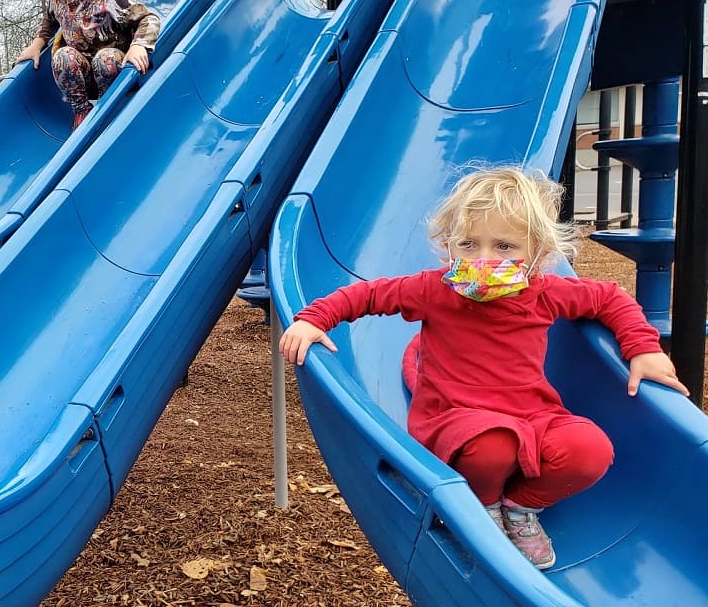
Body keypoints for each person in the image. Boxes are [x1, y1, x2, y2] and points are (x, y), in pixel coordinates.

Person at [278, 166, 688, 570]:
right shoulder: (435, 289)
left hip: (531, 414)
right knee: (493, 447)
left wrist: (642, 348)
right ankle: (482, 502)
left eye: (505, 247)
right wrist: (314, 319)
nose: (485, 259)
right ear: (449, 246)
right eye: (469, 244)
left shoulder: (544, 293)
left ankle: (520, 506)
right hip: (456, 416)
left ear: (538, 254)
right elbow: (367, 294)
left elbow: (608, 298)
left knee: (591, 450)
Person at [15, 0, 161, 131]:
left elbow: (149, 19)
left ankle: (111, 106)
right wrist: (36, 45)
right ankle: (82, 111)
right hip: (83, 76)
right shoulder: (58, 1)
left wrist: (139, 46)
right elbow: (50, 21)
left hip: (115, 71)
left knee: (106, 58)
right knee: (63, 55)